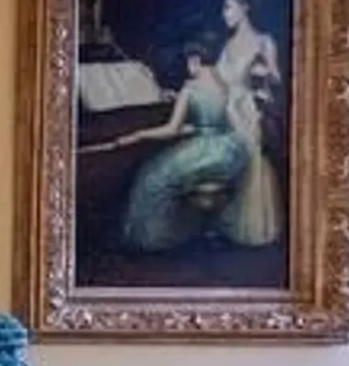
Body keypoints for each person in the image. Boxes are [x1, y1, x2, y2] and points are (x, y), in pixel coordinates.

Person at [99, 43, 249, 254]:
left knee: (151, 176)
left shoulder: (190, 88)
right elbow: (220, 121)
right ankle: (195, 229)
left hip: (203, 150)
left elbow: (170, 130)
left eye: (188, 62)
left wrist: (138, 134)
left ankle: (155, 240)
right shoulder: (224, 84)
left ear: (195, 61)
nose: (188, 68)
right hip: (230, 152)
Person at [209, 0, 283, 247]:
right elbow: (216, 80)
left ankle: (254, 227)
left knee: (252, 159)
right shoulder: (227, 46)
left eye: (228, 7)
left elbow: (275, 80)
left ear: (245, 7)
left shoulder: (264, 41)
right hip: (227, 110)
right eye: (223, 8)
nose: (223, 14)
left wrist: (262, 72)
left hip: (248, 110)